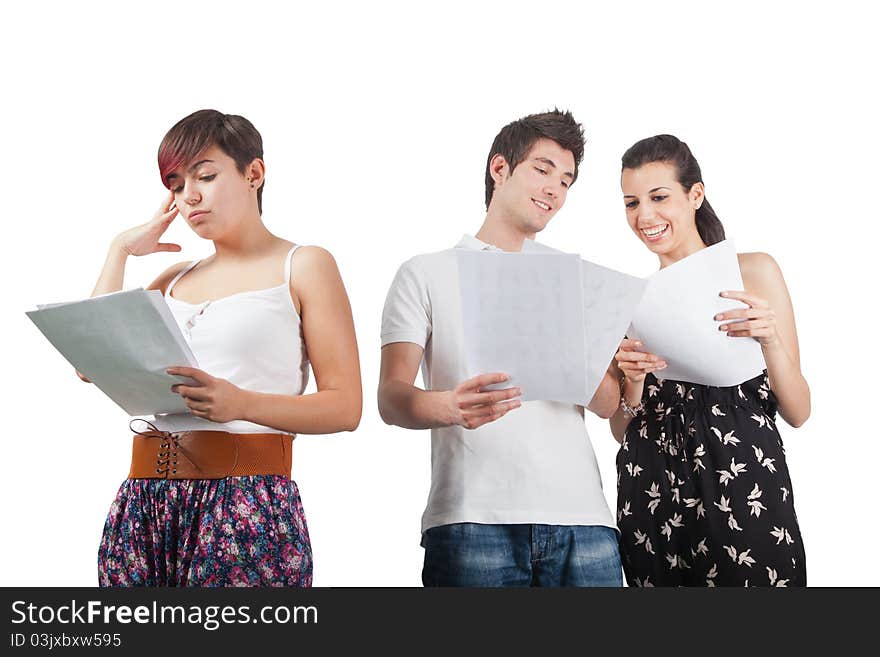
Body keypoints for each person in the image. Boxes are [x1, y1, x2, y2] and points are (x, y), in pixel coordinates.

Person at [87, 109, 362, 586]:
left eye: (206, 175)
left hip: (245, 501)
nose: (188, 195)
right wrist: (120, 251)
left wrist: (241, 403)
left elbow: (345, 407)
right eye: (175, 184)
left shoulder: (303, 265)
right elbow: (92, 362)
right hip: (145, 503)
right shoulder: (173, 279)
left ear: (253, 173)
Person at [378, 109, 623, 587]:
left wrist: (576, 344)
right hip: (473, 520)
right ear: (499, 169)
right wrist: (447, 405)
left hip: (583, 520)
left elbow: (609, 404)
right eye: (543, 169)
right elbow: (391, 397)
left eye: (568, 181)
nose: (556, 188)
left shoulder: (575, 278)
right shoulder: (425, 272)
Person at [611, 134, 809, 587]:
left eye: (659, 197)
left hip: (745, 484)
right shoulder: (630, 302)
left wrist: (770, 339)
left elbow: (799, 411)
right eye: (631, 202)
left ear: (694, 195)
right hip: (654, 495)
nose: (645, 216)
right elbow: (622, 429)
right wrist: (634, 381)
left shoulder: (754, 271)